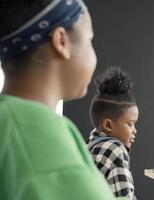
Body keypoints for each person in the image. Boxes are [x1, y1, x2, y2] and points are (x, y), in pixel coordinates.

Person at [0, 0, 124, 199]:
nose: (94, 54)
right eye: (89, 40)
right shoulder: (34, 133)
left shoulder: (9, 120)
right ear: (61, 41)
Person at [87, 66, 139, 200]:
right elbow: (125, 196)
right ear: (108, 125)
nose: (134, 130)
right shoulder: (115, 150)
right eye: (130, 124)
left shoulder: (88, 145)